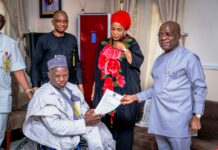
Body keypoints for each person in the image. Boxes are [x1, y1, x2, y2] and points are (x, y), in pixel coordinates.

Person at [121, 21, 207, 150]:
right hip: (159, 120)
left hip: (179, 121)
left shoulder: (189, 58)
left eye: (168, 34)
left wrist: (197, 115)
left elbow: (200, 87)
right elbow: (156, 89)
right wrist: (135, 97)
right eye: (160, 34)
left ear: (178, 36)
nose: (163, 38)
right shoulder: (158, 61)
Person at [23, 55, 116, 150]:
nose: (62, 79)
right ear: (49, 75)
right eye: (57, 76)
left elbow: (81, 105)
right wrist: (84, 123)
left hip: (78, 124)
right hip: (57, 132)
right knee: (89, 137)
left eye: (65, 75)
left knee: (100, 131)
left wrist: (86, 112)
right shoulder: (43, 95)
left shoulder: (72, 87)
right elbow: (55, 127)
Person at [92, 10, 144, 150]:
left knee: (124, 130)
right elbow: (97, 70)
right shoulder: (103, 44)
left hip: (125, 93)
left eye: (119, 29)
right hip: (105, 92)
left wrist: (125, 49)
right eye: (113, 29)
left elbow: (137, 62)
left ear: (125, 29)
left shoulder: (131, 43)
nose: (115, 33)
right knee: (105, 128)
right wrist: (94, 91)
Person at [0, 12, 33, 147]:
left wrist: (28, 90)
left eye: (1, 21)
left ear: (3, 24)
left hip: (1, 98)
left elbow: (18, 70)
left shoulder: (9, 43)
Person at [31, 10, 84, 93]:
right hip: (49, 84)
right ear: (52, 22)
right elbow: (35, 65)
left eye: (65, 21)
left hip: (69, 83)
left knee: (71, 106)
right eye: (59, 21)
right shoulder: (43, 40)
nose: (62, 24)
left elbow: (76, 63)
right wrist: (35, 87)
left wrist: (80, 84)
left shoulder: (72, 39)